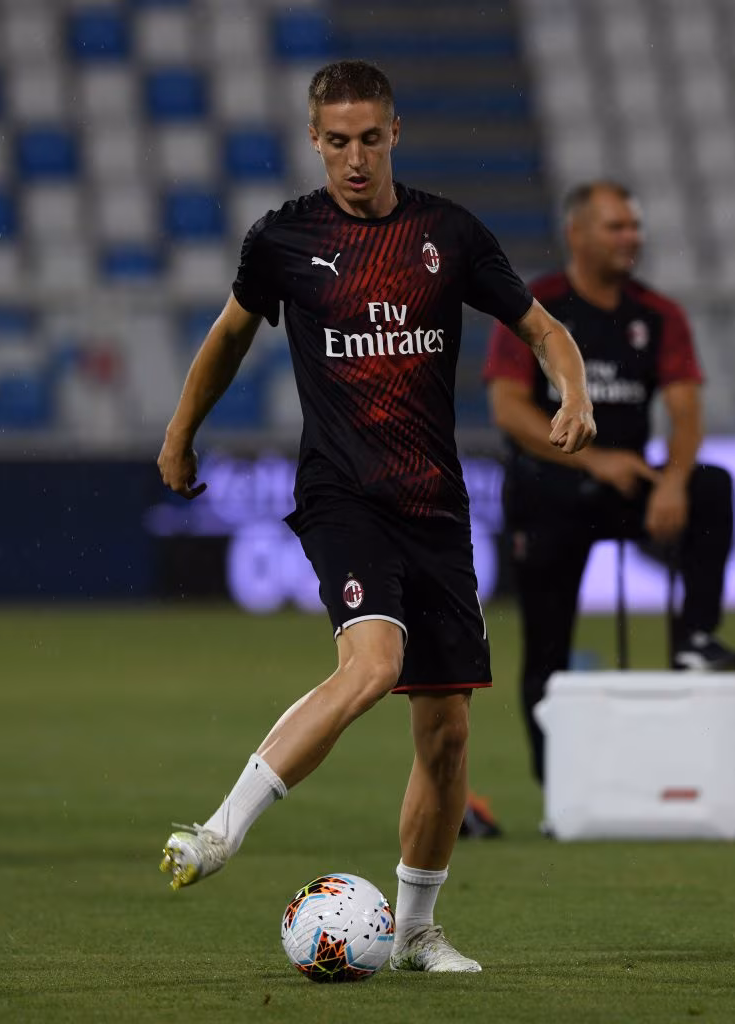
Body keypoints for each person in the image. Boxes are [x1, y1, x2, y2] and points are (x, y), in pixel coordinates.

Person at [156, 60, 595, 972]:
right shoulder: (284, 240)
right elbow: (230, 335)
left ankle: (416, 932)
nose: (354, 159)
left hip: (435, 504)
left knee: (447, 732)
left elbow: (543, 329)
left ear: (395, 134)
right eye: (336, 142)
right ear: (314, 141)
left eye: (369, 139)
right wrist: (181, 432)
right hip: (342, 494)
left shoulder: (448, 234)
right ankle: (219, 832)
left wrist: (576, 390)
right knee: (374, 663)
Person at [484, 180, 735, 787]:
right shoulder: (536, 308)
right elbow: (509, 410)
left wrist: (674, 481)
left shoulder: (659, 315)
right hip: (549, 490)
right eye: (617, 226)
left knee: (711, 488)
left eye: (635, 226)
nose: (633, 237)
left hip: (628, 483)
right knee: (547, 645)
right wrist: (594, 460)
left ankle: (695, 637)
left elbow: (686, 412)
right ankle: (559, 787)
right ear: (576, 234)